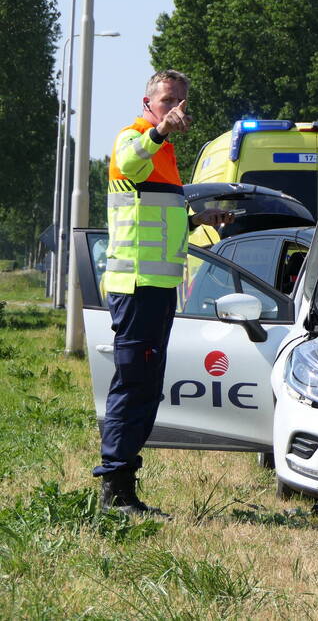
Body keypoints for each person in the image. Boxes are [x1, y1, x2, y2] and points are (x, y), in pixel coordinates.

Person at [95, 70, 233, 516]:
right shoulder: (134, 139)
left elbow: (160, 224)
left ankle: (122, 487)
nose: (176, 109)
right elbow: (131, 160)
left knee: (146, 388)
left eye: (182, 103)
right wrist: (158, 131)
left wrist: (199, 220)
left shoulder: (165, 154)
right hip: (136, 287)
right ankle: (115, 490)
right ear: (147, 102)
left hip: (156, 288)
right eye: (168, 100)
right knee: (134, 387)